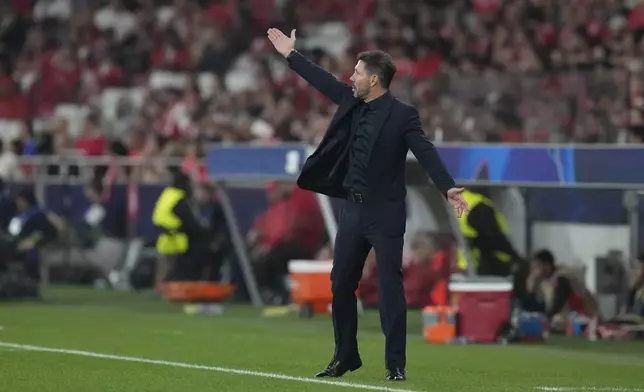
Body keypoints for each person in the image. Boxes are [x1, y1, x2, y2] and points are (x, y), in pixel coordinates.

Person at [267, 28, 468, 381]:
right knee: (341, 283)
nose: (351, 76)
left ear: (374, 79)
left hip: (386, 212)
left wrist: (448, 188)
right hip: (353, 211)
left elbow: (425, 151)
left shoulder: (403, 115)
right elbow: (322, 80)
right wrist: (290, 55)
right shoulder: (351, 102)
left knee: (391, 284)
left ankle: (395, 364)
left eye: (357, 72)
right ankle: (345, 356)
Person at [513, 249, 598, 321]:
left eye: (536, 267)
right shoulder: (545, 282)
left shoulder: (561, 278)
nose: (534, 272)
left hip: (584, 317)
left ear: (547, 266)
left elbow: (554, 308)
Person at [456, 188, 522, 276]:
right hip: (486, 267)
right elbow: (493, 238)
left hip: (468, 266)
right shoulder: (478, 205)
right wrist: (515, 257)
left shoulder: (462, 201)